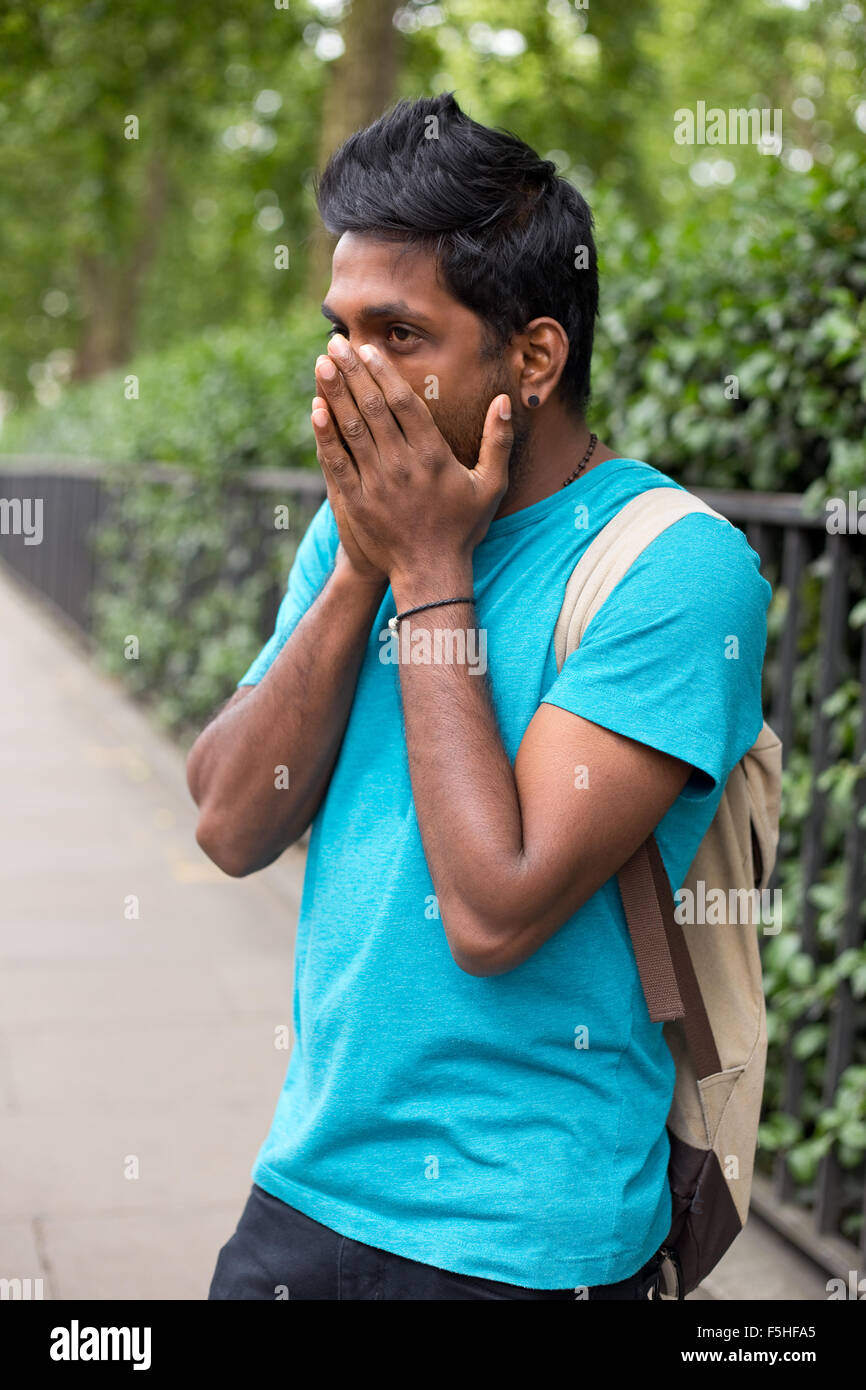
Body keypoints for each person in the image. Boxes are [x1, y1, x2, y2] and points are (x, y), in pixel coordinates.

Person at [188, 92, 771, 1300]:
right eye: (337, 330)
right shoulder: (359, 533)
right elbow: (231, 822)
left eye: (397, 334)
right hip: (305, 1189)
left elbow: (494, 912)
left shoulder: (673, 567)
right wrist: (364, 560)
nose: (347, 372)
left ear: (533, 356)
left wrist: (429, 569)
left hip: (520, 1240)